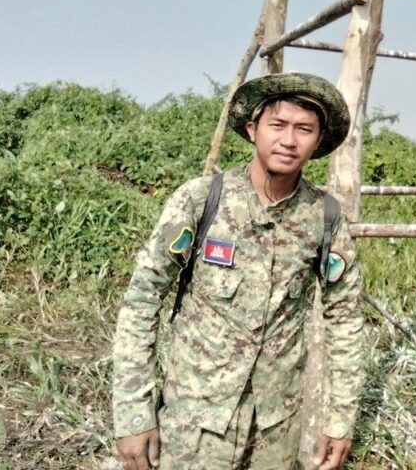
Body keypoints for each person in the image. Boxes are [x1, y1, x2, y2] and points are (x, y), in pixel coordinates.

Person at [112, 73, 364, 470]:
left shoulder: (325, 217)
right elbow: (142, 300)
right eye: (277, 125)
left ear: (318, 141)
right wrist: (133, 414)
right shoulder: (201, 200)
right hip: (194, 425)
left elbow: (345, 319)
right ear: (252, 130)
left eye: (304, 129)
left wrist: (339, 419)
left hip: (274, 433)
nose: (289, 140)